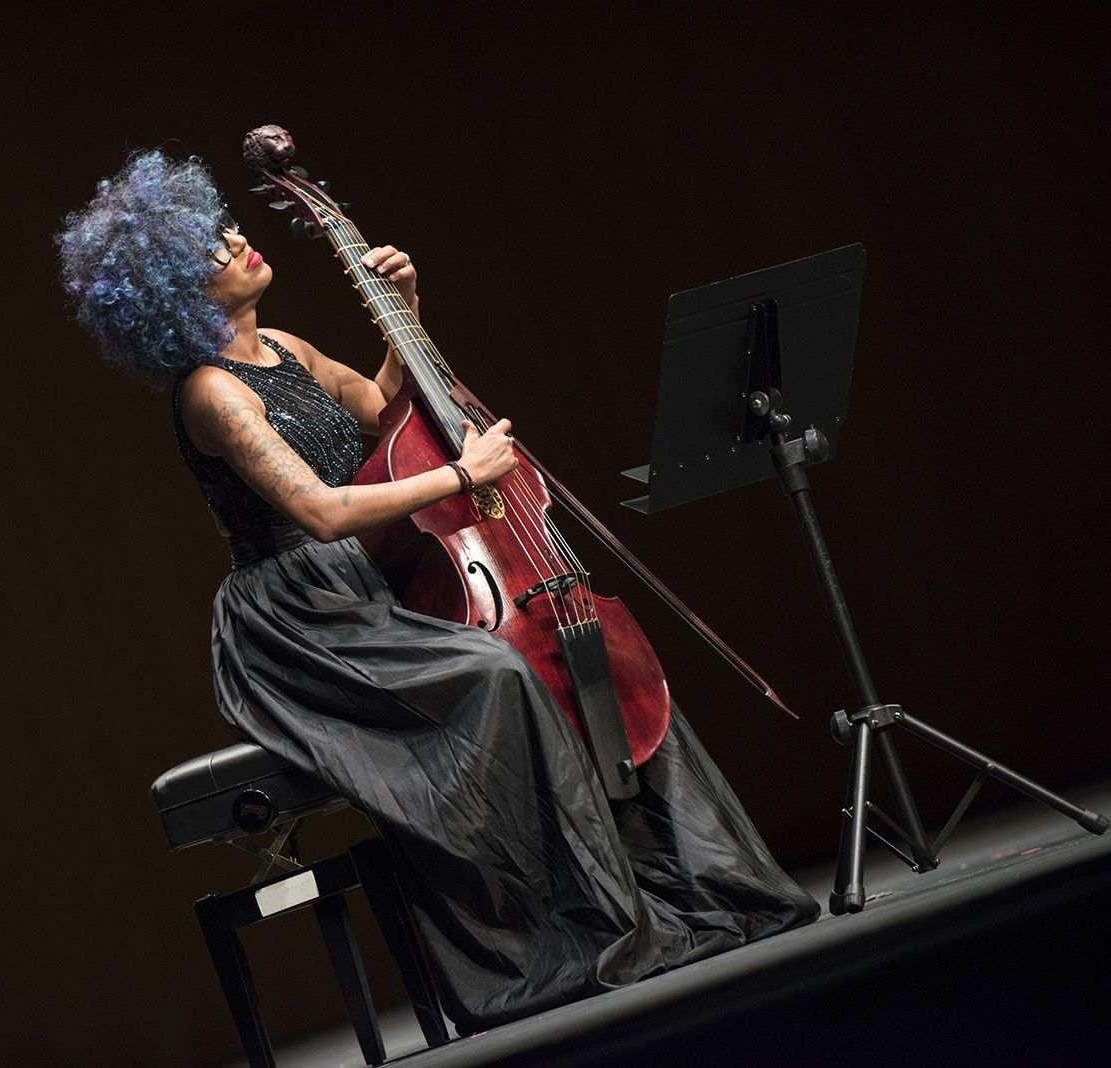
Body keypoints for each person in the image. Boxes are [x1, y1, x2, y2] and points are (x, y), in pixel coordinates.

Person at [57, 150, 818, 1034]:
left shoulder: (286, 348)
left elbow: (383, 410)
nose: (239, 239)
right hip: (302, 620)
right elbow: (320, 507)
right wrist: (462, 471)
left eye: (228, 225)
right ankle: (566, 936)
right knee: (494, 675)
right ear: (172, 296)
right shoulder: (212, 394)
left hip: (365, 583)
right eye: (211, 246)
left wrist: (403, 313)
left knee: (568, 649)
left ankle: (694, 882)